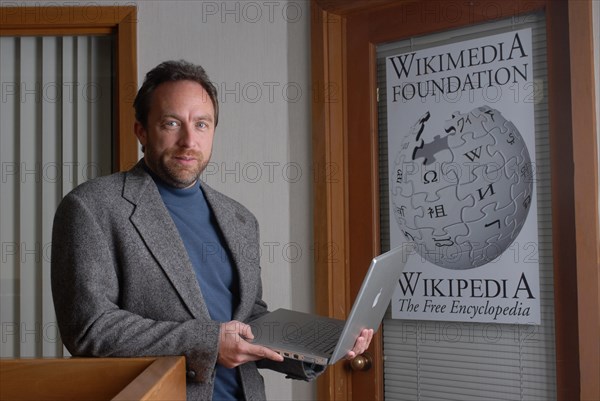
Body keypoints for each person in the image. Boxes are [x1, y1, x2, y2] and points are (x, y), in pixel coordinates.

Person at [51, 60, 373, 401]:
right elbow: (90, 329)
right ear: (142, 131)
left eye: (201, 124)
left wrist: (318, 344)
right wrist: (208, 343)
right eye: (171, 123)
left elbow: (250, 318)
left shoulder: (240, 218)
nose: (189, 140)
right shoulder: (92, 206)